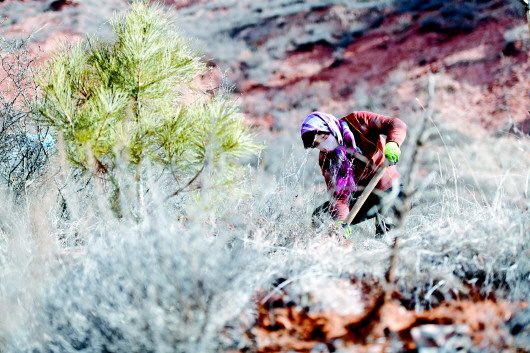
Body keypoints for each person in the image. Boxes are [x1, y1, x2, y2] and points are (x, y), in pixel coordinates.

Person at [301, 111, 407, 237]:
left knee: (385, 234)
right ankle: (331, 248)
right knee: (320, 215)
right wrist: (340, 221)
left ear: (330, 127)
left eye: (324, 138)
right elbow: (338, 195)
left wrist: (393, 143)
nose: (325, 145)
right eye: (318, 144)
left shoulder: (357, 121)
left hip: (389, 188)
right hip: (362, 197)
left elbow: (395, 124)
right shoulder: (327, 159)